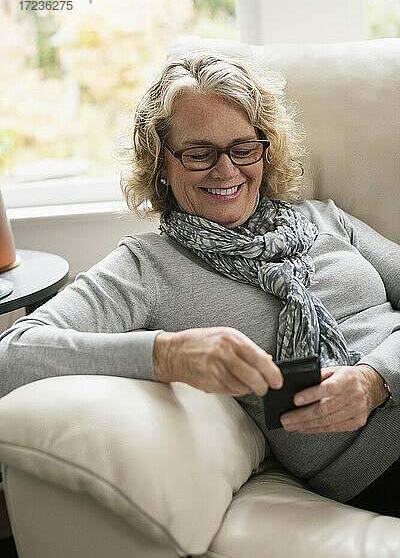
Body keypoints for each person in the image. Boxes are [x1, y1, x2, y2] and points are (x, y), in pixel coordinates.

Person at [0, 50, 399, 517]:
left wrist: (377, 380)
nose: (226, 170)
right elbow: (12, 354)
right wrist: (167, 354)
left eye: (243, 148)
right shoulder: (145, 268)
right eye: (199, 154)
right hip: (380, 470)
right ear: (161, 164)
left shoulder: (323, 218)